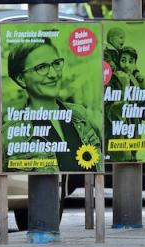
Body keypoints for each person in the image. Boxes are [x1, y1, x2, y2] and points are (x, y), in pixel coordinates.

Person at [6, 38, 101, 172]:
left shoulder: (80, 115)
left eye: (56, 63)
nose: (53, 74)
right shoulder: (11, 134)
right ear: (21, 79)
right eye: (41, 67)